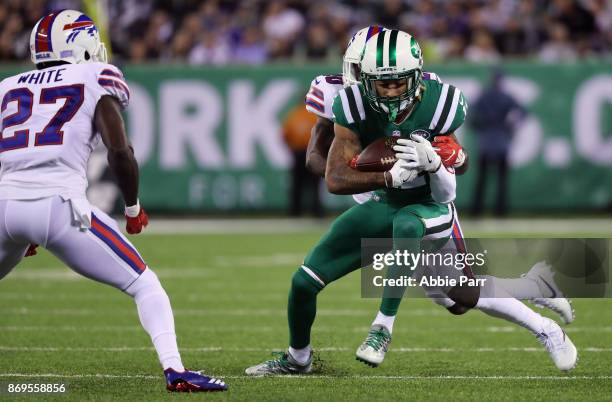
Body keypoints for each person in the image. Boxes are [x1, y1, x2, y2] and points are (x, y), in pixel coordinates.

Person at [245, 30, 577, 375]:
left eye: (396, 80)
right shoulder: (339, 97)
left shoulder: (433, 97)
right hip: (376, 199)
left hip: (424, 201)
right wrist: (373, 171)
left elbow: (457, 164)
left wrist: (439, 158)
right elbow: (320, 163)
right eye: (371, 76)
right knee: (439, 296)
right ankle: (298, 359)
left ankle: (386, 328)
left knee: (459, 296)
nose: (385, 88)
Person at [0, 10, 226, 392]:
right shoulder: (93, 76)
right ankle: (175, 370)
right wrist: (133, 207)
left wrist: (21, 222)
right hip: (60, 206)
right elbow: (119, 152)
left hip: (5, 204)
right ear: (82, 45)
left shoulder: (8, 85)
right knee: (144, 284)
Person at [470, 68, 526, 216]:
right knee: (501, 180)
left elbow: (471, 117)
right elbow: (522, 112)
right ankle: (500, 211)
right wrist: (511, 126)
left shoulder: (484, 96)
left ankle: (477, 210)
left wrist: (480, 127)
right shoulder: (506, 97)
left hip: (486, 143)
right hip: (501, 143)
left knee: (482, 180)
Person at [282, 101, 322, 216]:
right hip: (308, 152)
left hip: (301, 152)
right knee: (309, 185)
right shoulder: (314, 115)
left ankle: (297, 211)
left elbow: (285, 135)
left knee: (301, 185)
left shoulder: (295, 115)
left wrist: (292, 148)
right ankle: (314, 211)